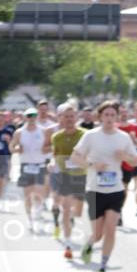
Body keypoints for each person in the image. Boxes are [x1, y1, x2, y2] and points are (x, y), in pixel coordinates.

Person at [70, 100, 137, 272]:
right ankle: (90, 244)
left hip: (115, 190)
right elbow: (74, 157)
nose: (109, 118)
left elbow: (136, 160)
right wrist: (92, 165)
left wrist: (124, 156)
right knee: (98, 234)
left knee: (111, 230)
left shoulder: (123, 137)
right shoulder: (91, 136)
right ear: (100, 117)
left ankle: (103, 267)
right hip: (94, 190)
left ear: (117, 117)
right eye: (106, 115)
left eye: (113, 115)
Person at [49, 105, 87, 259]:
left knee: (77, 213)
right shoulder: (56, 137)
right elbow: (55, 155)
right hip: (65, 176)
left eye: (72, 116)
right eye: (66, 116)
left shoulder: (85, 135)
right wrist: (52, 164)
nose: (69, 119)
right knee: (65, 208)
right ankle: (68, 244)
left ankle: (69, 217)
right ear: (60, 119)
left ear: (76, 118)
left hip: (82, 176)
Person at [9, 108, 48, 231]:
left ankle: (38, 214)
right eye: (29, 116)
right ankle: (29, 219)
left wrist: (47, 152)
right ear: (25, 117)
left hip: (39, 165)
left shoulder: (44, 131)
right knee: (28, 195)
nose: (32, 118)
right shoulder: (19, 132)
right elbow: (11, 146)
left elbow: (51, 146)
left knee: (39, 193)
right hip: (26, 165)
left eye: (34, 115)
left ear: (37, 117)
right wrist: (16, 150)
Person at [117, 104, 137, 223]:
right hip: (116, 163)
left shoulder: (134, 127)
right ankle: (116, 211)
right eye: (121, 113)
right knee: (118, 189)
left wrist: (134, 140)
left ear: (128, 115)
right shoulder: (114, 128)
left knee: (127, 188)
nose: (123, 115)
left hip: (130, 162)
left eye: (125, 113)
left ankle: (122, 211)